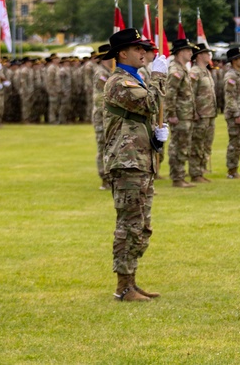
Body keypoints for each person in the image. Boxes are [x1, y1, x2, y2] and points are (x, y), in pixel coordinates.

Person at [102, 28, 169, 301]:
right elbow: (151, 103)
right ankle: (123, 286)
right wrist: (160, 77)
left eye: (144, 48)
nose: (144, 53)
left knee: (141, 225)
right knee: (129, 224)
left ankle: (131, 281)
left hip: (140, 160)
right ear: (122, 53)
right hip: (128, 163)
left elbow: (142, 115)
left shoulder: (136, 79)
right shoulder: (120, 82)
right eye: (138, 48)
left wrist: (155, 137)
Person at [165, 38, 196, 188]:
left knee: (184, 145)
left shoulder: (183, 69)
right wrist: (171, 114)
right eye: (188, 50)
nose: (191, 53)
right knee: (178, 145)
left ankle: (180, 176)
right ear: (180, 52)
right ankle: (177, 177)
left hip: (185, 114)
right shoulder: (175, 70)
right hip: (179, 115)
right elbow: (170, 94)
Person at [189, 43, 217, 183]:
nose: (209, 55)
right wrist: (193, 112)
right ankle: (195, 172)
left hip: (209, 113)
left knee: (206, 144)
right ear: (199, 55)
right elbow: (190, 94)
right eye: (207, 53)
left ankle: (201, 169)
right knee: (197, 144)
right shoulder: (194, 72)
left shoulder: (206, 71)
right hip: (200, 114)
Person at [222, 46, 240, 179]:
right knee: (235, 143)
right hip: (235, 115)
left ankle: (234, 169)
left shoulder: (239, 73)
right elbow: (230, 97)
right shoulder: (231, 76)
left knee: (239, 143)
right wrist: (237, 114)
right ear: (234, 60)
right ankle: (231, 171)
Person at [91, 44, 113, 190]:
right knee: (103, 147)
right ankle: (105, 179)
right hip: (101, 115)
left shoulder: (108, 72)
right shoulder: (101, 74)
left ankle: (110, 177)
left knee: (109, 147)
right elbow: (102, 97)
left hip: (107, 115)